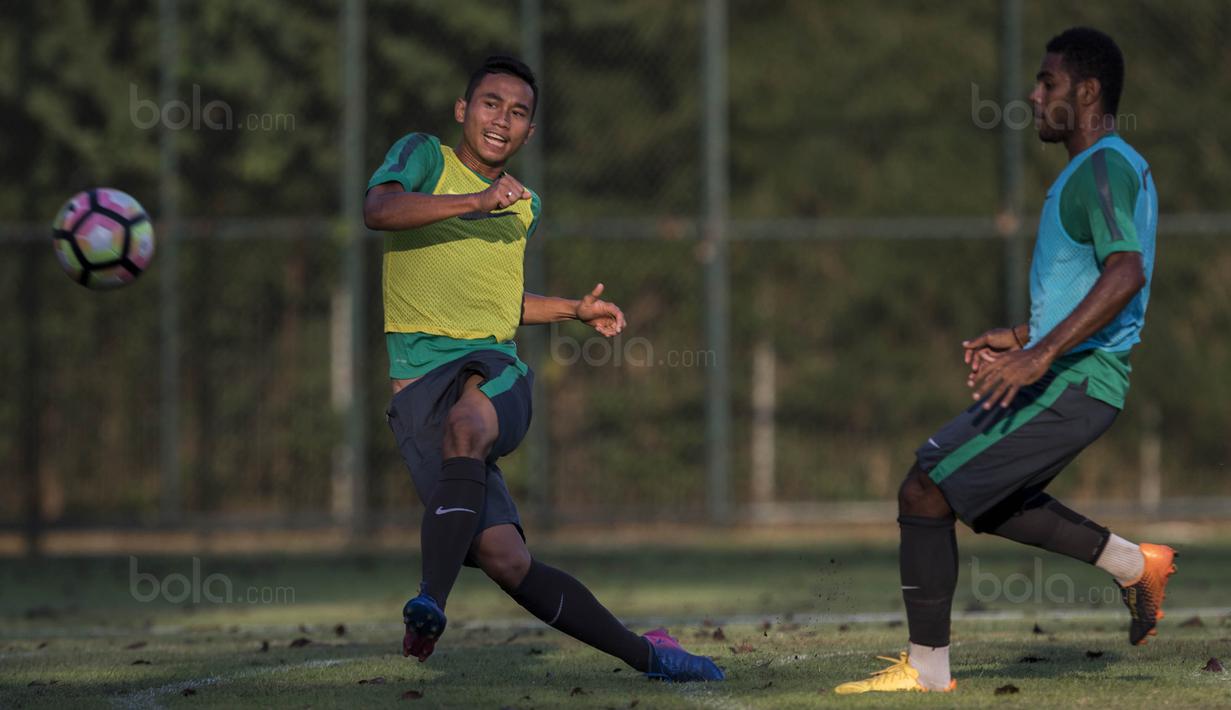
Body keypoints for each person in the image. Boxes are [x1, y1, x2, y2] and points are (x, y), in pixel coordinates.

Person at [363, 55, 723, 683]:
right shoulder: (425, 155)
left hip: (491, 367)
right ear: (462, 110)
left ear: (530, 131)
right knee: (507, 560)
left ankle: (429, 604)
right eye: (490, 103)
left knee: (469, 424)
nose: (503, 119)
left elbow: (497, 309)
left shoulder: (524, 205)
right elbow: (379, 210)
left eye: (519, 112)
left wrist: (572, 312)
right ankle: (651, 654)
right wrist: (474, 201)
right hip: (419, 389)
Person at [835, 27, 1172, 694]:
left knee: (926, 487)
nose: (1033, 93)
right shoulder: (1098, 169)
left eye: (1046, 83)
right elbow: (1094, 282)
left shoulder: (1102, 163)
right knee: (982, 499)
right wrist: (1024, 335)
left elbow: (1125, 273)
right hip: (1067, 371)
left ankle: (928, 673)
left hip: (1075, 380)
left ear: (1086, 90)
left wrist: (1038, 354)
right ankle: (1135, 565)